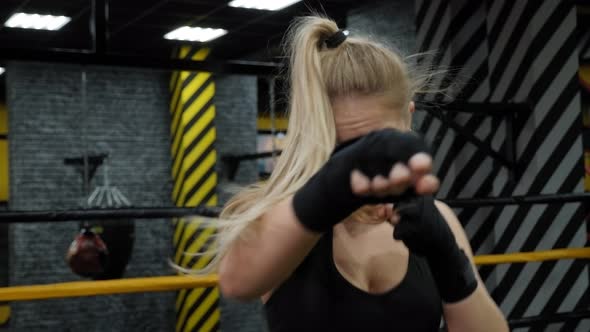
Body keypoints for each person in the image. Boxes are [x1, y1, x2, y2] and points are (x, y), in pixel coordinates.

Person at [213, 16, 509, 332]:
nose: (365, 163)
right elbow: (236, 283)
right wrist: (331, 189)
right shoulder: (278, 216)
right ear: (315, 133)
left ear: (408, 119)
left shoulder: (438, 219)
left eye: (377, 142)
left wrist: (450, 262)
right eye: (346, 148)